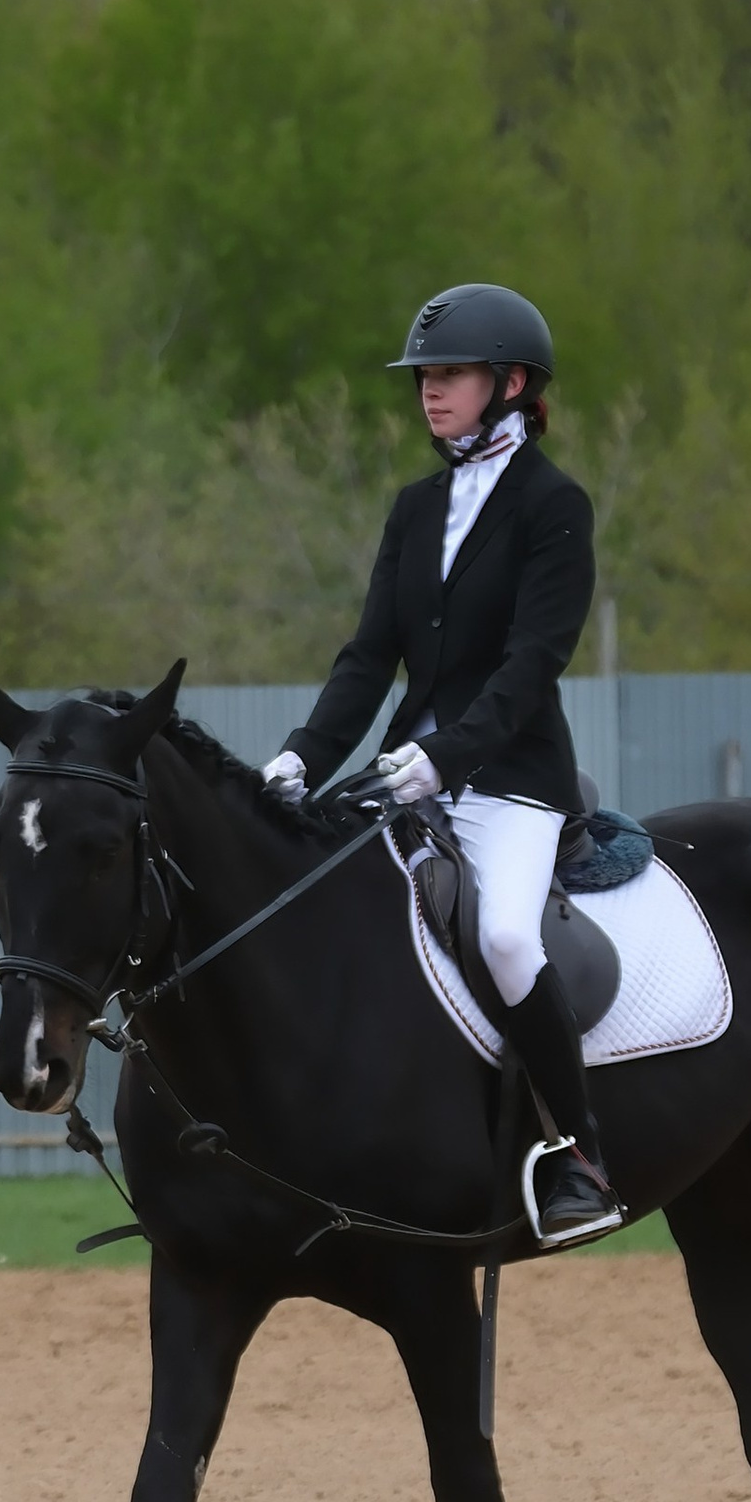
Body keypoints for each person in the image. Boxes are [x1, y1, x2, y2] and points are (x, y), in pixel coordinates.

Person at [263, 282, 623, 1248]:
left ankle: (579, 1155)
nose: (430, 391)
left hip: (509, 780)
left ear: (510, 384)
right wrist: (303, 755)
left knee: (506, 937)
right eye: (425, 376)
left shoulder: (556, 508)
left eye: (450, 375)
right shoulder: (415, 509)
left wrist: (444, 758)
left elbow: (528, 668)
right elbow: (368, 655)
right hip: (405, 773)